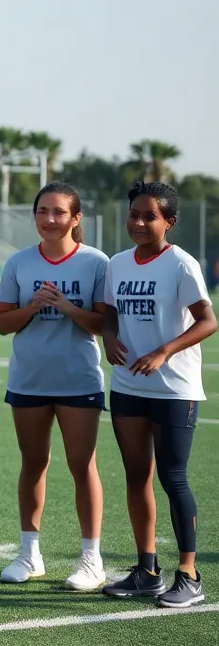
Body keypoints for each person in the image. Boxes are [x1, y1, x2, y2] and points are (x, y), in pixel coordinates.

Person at [102, 181, 215, 608]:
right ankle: (147, 570)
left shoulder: (181, 264)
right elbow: (109, 316)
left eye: (149, 216)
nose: (138, 222)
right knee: (136, 475)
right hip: (128, 385)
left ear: (168, 221)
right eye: (134, 213)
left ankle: (189, 573)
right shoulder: (117, 263)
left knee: (174, 476)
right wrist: (109, 339)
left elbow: (207, 321)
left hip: (173, 388)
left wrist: (164, 351)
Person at [0, 182, 109, 591]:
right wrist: (33, 306)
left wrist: (66, 307)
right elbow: (2, 323)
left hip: (78, 380)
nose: (49, 219)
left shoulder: (96, 262)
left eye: (59, 212)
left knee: (82, 466)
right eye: (42, 211)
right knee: (33, 463)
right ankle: (30, 554)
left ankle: (91, 560)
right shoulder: (20, 263)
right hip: (29, 380)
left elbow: (103, 324)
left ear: (76, 219)